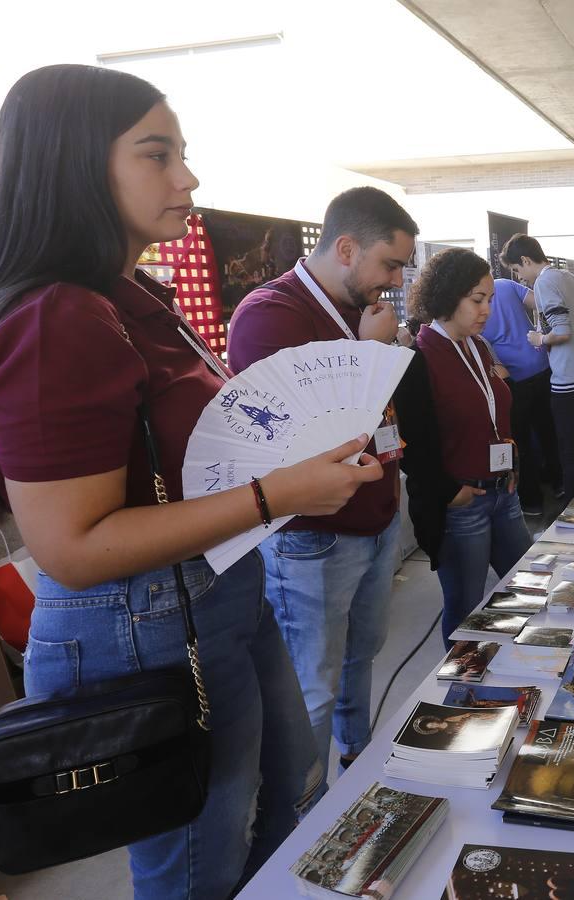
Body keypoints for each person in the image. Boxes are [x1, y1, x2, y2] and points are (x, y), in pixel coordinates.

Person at [0, 65, 381, 898]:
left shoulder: (125, 296)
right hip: (140, 623)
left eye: (182, 153)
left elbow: (186, 456)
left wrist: (307, 459)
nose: (187, 178)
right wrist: (281, 495)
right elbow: (74, 548)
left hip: (218, 588)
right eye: (158, 155)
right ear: (73, 162)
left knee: (284, 788)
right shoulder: (56, 318)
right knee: (197, 861)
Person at [227, 186, 417, 779]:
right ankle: (299, 811)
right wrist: (368, 352)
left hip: (374, 517)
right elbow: (293, 439)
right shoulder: (269, 315)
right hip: (313, 536)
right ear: (345, 247)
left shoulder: (351, 312)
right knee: (311, 685)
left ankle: (355, 761)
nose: (393, 281)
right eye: (389, 264)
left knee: (361, 656)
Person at [408, 248, 533, 639]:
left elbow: (493, 410)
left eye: (490, 300)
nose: (486, 310)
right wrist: (449, 492)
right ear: (446, 296)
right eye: (477, 300)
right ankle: (455, 689)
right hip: (464, 503)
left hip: (503, 491)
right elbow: (411, 443)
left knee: (527, 587)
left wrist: (510, 453)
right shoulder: (420, 358)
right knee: (464, 609)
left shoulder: (476, 347)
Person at [500, 235, 574, 500]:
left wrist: (540, 339)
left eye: (517, 270)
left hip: (569, 379)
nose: (520, 277)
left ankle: (573, 513)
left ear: (525, 260)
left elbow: (562, 331)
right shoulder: (572, 278)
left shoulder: (546, 282)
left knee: (568, 450)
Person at [482, 276, 561, 515]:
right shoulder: (505, 284)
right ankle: (560, 485)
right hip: (540, 363)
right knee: (549, 431)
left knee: (521, 441)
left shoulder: (471, 304)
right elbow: (539, 302)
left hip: (512, 377)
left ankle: (532, 501)